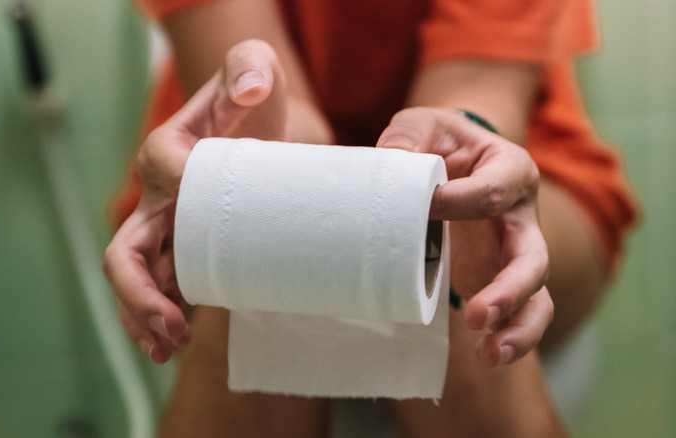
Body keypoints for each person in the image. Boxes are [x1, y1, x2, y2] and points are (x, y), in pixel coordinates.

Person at [102, 0, 637, 436]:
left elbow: (471, 102)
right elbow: (272, 116)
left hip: (512, 165)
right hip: (256, 145)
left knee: (449, 258)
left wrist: (456, 162)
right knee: (266, 251)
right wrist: (291, 193)